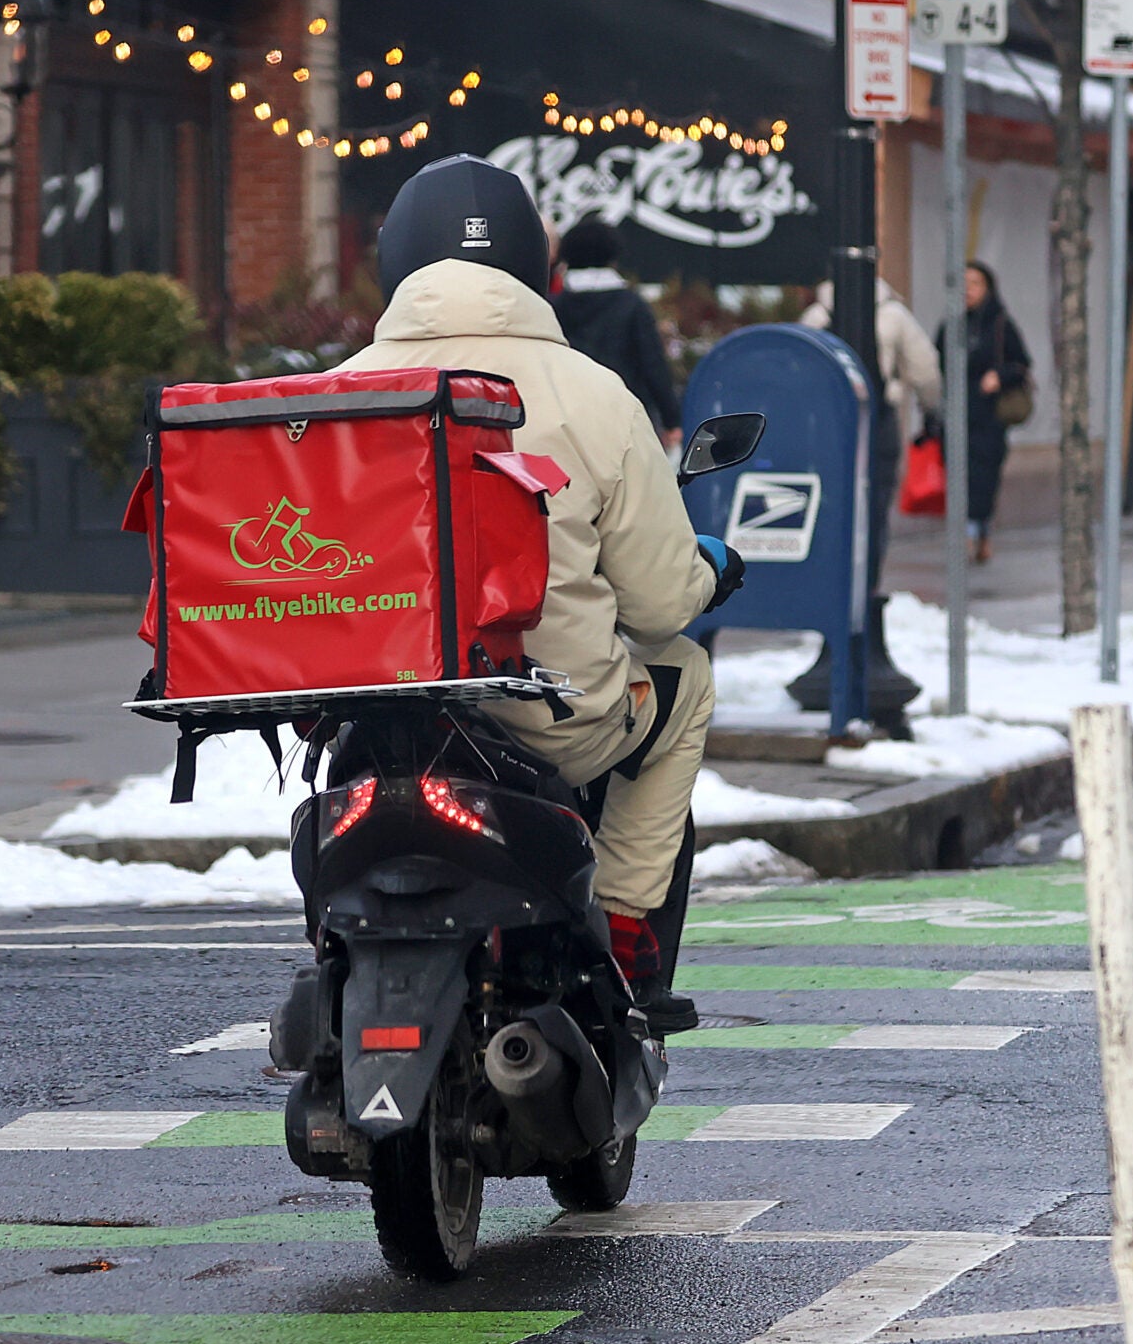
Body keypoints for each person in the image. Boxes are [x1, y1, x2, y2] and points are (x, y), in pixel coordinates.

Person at [340, 155, 739, 1033]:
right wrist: (708, 562)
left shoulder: (339, 389)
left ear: (396, 259)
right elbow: (663, 605)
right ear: (533, 269)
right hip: (548, 720)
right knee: (687, 673)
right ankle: (629, 928)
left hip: (376, 710)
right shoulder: (594, 394)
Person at [550, 218, 684, 447]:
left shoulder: (554, 305)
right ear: (612, 257)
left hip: (567, 419)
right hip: (625, 416)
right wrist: (672, 420)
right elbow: (653, 365)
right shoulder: (632, 305)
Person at [938, 261, 1031, 564]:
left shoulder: (1000, 324)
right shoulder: (949, 326)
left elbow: (1021, 365)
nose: (968, 290)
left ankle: (979, 533)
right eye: (963, 283)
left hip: (989, 418)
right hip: (956, 414)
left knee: (983, 479)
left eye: (975, 283)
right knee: (957, 476)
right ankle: (964, 533)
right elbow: (935, 367)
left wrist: (998, 377)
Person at [801, 277, 941, 437]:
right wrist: (931, 409)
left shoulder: (815, 317)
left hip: (828, 414)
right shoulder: (894, 314)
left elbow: (802, 369)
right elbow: (923, 369)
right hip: (879, 411)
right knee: (880, 459)